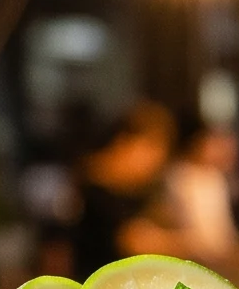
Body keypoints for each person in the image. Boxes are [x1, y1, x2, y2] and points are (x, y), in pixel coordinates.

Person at [49, 102, 174, 278]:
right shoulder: (93, 186)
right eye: (153, 146)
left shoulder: (135, 189)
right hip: (94, 286)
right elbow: (134, 241)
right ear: (124, 142)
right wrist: (189, 244)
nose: (159, 158)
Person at [148, 121, 239, 272]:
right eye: (214, 144)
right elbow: (169, 220)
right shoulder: (177, 177)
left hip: (221, 258)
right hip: (187, 260)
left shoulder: (216, 178)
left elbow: (222, 225)